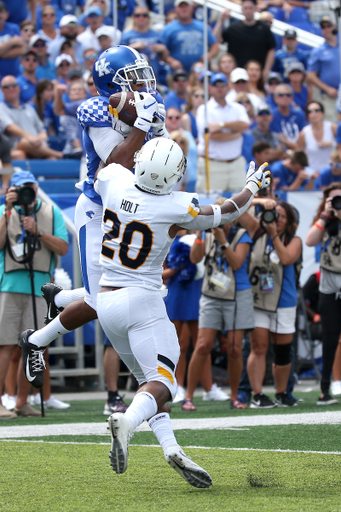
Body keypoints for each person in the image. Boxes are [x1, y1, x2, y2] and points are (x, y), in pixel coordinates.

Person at [92, 137, 270, 482]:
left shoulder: (114, 180)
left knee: (148, 382)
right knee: (165, 384)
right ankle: (127, 423)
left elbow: (109, 163)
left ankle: (172, 448)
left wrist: (138, 129)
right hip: (141, 300)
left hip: (106, 302)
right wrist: (252, 185)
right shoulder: (175, 206)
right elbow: (229, 211)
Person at [18, 46, 166, 418]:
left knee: (116, 293)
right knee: (104, 300)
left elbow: (160, 154)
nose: (142, 82)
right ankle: (36, 340)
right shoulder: (95, 108)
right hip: (99, 208)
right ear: (110, 82)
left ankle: (61, 299)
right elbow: (116, 163)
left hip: (131, 208)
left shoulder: (150, 100)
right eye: (132, 76)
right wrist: (142, 125)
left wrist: (154, 126)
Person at [0, 170, 69, 419]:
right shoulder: (5, 211)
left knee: (32, 347)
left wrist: (38, 231)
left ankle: (21, 402)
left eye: (30, 187)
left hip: (39, 287)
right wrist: (7, 212)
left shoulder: (51, 213)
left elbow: (63, 247)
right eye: (21, 188)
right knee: (5, 344)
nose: (26, 193)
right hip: (9, 284)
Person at [184, 201, 254, 411]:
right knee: (203, 345)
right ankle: (188, 396)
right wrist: (199, 233)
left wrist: (223, 241)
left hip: (237, 294)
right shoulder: (206, 233)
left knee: (234, 348)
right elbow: (194, 258)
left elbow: (236, 263)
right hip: (212, 294)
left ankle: (234, 395)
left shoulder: (242, 235)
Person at [240, 200, 302, 407]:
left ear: (290, 221)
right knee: (259, 347)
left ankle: (282, 392)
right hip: (259, 299)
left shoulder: (294, 240)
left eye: (283, 216)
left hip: (284, 301)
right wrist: (258, 201)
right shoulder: (256, 230)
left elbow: (285, 258)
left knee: (283, 350)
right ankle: (257, 395)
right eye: (275, 213)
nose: (278, 219)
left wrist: (274, 233)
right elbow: (236, 209)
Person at [305, 183, 341, 405]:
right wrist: (327, 215)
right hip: (329, 289)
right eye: (333, 199)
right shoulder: (325, 221)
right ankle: (324, 389)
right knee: (330, 339)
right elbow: (310, 240)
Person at [196, 72, 250, 193]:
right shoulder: (204, 109)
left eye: (222, 84)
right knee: (211, 206)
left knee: (242, 204)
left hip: (236, 164)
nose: (219, 88)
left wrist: (221, 125)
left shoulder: (238, 108)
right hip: (213, 164)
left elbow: (245, 125)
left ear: (228, 87)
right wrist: (236, 133)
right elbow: (213, 136)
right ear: (210, 88)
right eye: (216, 85)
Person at [0, 75, 63, 160]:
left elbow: (41, 129)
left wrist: (42, 135)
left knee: (51, 158)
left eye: (13, 85)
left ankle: (54, 155)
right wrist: (30, 138)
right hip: (16, 146)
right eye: (6, 87)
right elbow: (10, 127)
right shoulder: (1, 108)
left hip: (37, 146)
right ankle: (61, 155)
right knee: (24, 144)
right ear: (2, 90)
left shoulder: (29, 108)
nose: (11, 88)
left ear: (18, 88)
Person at [214, 0, 276, 81]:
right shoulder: (234, 28)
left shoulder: (264, 28)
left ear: (255, 9)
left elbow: (271, 50)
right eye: (246, 8)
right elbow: (216, 39)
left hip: (257, 74)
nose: (248, 11)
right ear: (242, 10)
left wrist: (266, 70)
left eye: (251, 8)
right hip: (237, 75)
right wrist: (220, 21)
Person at [161, 0, 219, 75]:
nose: (184, 9)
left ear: (192, 9)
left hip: (199, 72)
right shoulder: (168, 29)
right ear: (176, 10)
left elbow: (215, 45)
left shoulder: (203, 27)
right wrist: (171, 61)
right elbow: (161, 50)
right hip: (176, 73)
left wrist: (209, 55)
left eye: (186, 6)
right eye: (181, 7)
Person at [120, 6, 169, 86]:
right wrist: (133, 46)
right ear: (133, 18)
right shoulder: (126, 35)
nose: (141, 18)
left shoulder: (156, 34)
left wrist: (162, 48)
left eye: (145, 15)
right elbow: (121, 56)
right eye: (138, 15)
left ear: (149, 18)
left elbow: (165, 57)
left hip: (153, 76)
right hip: (133, 79)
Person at [307, 15, 340, 123]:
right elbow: (311, 75)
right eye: (323, 27)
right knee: (333, 124)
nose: (326, 29)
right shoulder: (318, 51)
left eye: (329, 26)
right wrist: (327, 89)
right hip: (331, 95)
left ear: (335, 27)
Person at [297, 101, 337, 172]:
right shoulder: (304, 133)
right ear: (308, 116)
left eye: (317, 110)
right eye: (310, 111)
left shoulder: (333, 127)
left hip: (332, 169)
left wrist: (331, 144)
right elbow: (300, 155)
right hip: (311, 171)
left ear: (322, 113)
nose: (313, 113)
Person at [270, 83, 307, 150]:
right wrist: (299, 148)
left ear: (292, 97)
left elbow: (303, 134)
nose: (285, 97)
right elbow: (281, 139)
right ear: (275, 98)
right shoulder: (272, 115)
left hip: (300, 149)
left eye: (288, 95)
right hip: (282, 152)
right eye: (281, 95)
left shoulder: (300, 114)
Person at [0, 0, 26, 79]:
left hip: (15, 76)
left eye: (1, 12)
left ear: (7, 14)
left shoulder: (13, 28)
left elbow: (21, 50)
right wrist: (12, 42)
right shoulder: (13, 39)